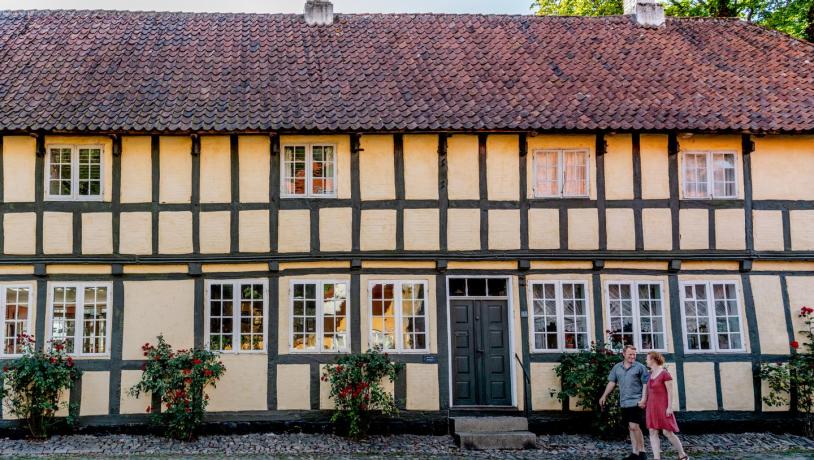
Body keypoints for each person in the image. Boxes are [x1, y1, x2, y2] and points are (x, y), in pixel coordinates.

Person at [599, 345, 649, 460]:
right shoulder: (617, 367)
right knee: (630, 427)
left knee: (634, 426)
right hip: (624, 402)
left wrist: (643, 399)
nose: (632, 356)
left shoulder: (640, 367)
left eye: (634, 354)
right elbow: (612, 382)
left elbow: (646, 385)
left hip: (637, 401)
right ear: (624, 354)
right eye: (630, 354)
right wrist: (604, 396)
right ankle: (635, 452)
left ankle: (642, 452)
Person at [642, 351, 689, 460]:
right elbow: (647, 390)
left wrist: (669, 407)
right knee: (652, 432)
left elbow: (670, 392)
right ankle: (656, 458)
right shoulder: (650, 374)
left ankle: (682, 454)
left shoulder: (664, 374)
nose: (646, 361)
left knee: (667, 432)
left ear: (653, 360)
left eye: (647, 359)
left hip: (663, 406)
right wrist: (643, 400)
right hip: (651, 407)